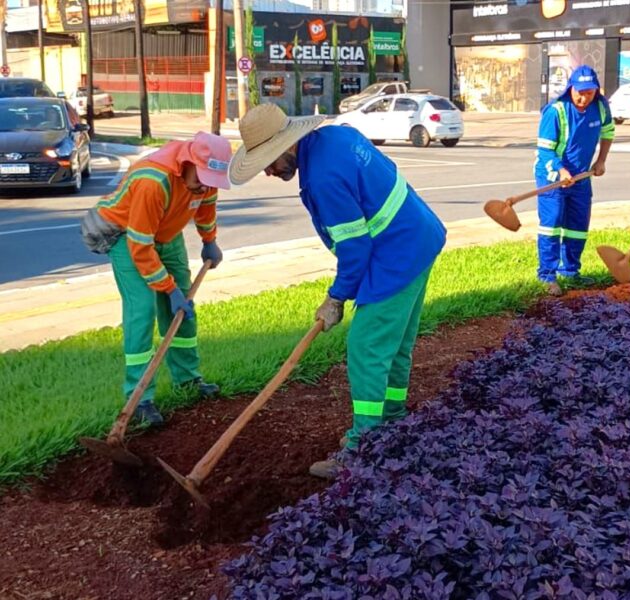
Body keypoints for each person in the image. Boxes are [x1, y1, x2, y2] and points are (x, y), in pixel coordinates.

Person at [229, 103, 447, 479]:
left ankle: (364, 445)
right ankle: (392, 419)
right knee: (394, 346)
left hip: (395, 254)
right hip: (419, 234)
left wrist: (337, 297)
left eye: (267, 161)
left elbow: (355, 248)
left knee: (366, 347)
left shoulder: (322, 179)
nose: (267, 170)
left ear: (286, 145)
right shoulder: (337, 136)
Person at [80, 132, 232, 425]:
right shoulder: (153, 181)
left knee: (183, 309)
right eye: (201, 177)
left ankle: (187, 378)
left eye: (210, 180)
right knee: (143, 310)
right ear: (187, 162)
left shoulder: (206, 177)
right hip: (128, 237)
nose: (204, 185)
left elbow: (205, 206)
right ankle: (139, 398)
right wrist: (167, 287)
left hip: (167, 234)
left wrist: (209, 240)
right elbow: (140, 246)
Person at [535, 65, 615, 296]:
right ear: (571, 88)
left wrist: (601, 161)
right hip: (552, 178)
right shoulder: (556, 111)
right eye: (579, 92)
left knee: (577, 227)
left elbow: (608, 133)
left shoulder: (600, 107)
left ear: (596, 91)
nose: (583, 97)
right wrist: (561, 172)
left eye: (589, 93)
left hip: (581, 177)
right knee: (551, 225)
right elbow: (545, 151)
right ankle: (547, 276)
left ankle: (570, 271)